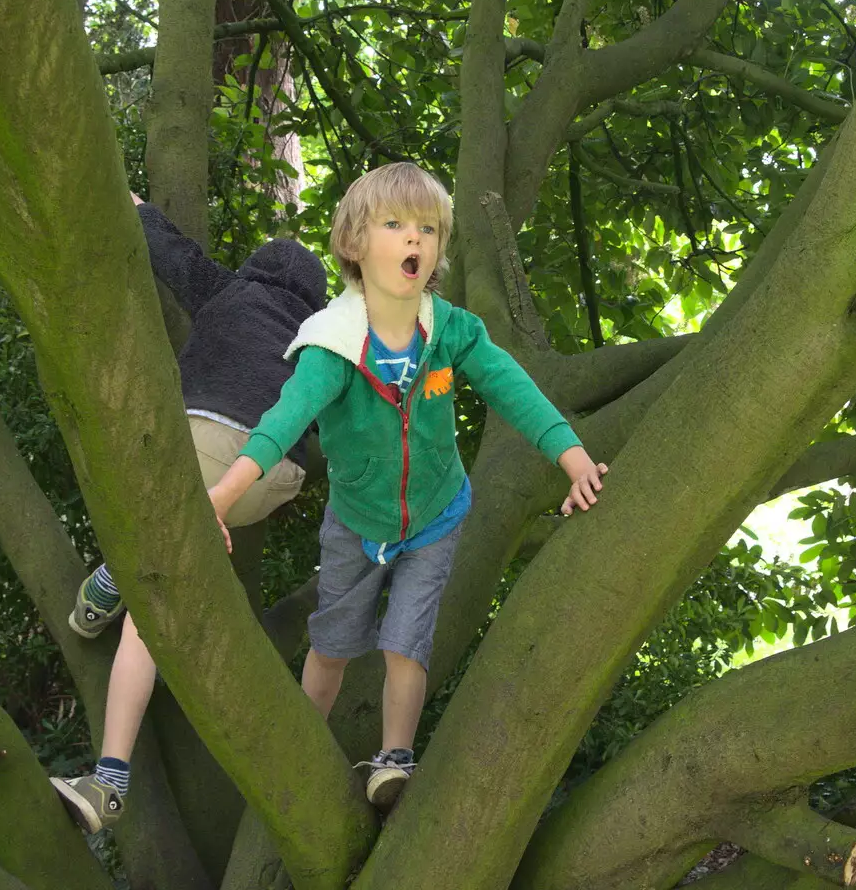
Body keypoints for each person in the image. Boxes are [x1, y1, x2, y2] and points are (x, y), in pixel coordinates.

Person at [205, 162, 607, 811]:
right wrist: (221, 498)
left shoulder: (449, 331)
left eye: (427, 227)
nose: (414, 238)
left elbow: (511, 387)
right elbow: (282, 421)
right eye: (395, 225)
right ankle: (297, 747)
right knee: (332, 644)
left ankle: (394, 757)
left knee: (406, 642)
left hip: (435, 516)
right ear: (355, 245)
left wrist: (574, 457)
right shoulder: (333, 344)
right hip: (357, 522)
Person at [51, 193, 328, 834]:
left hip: (193, 445)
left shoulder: (229, 292)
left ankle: (115, 582)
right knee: (159, 598)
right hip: (268, 475)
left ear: (257, 271)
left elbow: (172, 254)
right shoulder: (323, 340)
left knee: (145, 585)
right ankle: (109, 783)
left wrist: (132, 202)